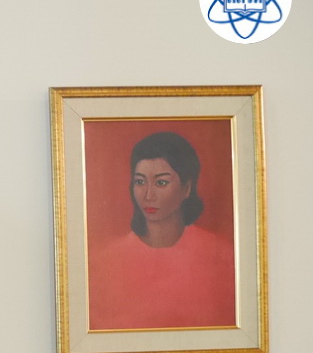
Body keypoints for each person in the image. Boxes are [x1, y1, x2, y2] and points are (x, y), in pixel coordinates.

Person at [89, 131, 236, 330]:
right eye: (140, 182)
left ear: (186, 188)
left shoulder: (222, 256)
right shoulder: (106, 262)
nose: (148, 195)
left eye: (161, 183)